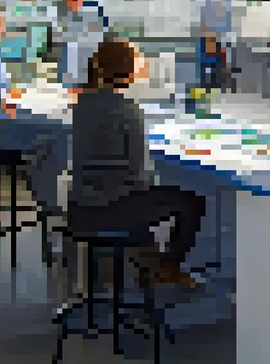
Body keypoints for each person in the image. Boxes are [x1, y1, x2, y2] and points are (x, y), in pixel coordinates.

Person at [71, 39, 207, 289]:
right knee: (191, 203)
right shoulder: (128, 111)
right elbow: (140, 176)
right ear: (128, 72)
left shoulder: (82, 104)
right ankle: (166, 267)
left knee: (154, 197)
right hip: (111, 210)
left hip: (80, 206)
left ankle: (148, 257)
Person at [0, 7, 72, 212]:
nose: (3, 31)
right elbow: (6, 101)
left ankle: (39, 176)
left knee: (42, 124)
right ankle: (48, 198)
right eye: (0, 26)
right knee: (62, 130)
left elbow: (0, 94)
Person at [55, 0, 108, 91]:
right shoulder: (67, 15)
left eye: (70, 2)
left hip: (87, 57)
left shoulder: (92, 12)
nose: (69, 6)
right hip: (73, 58)